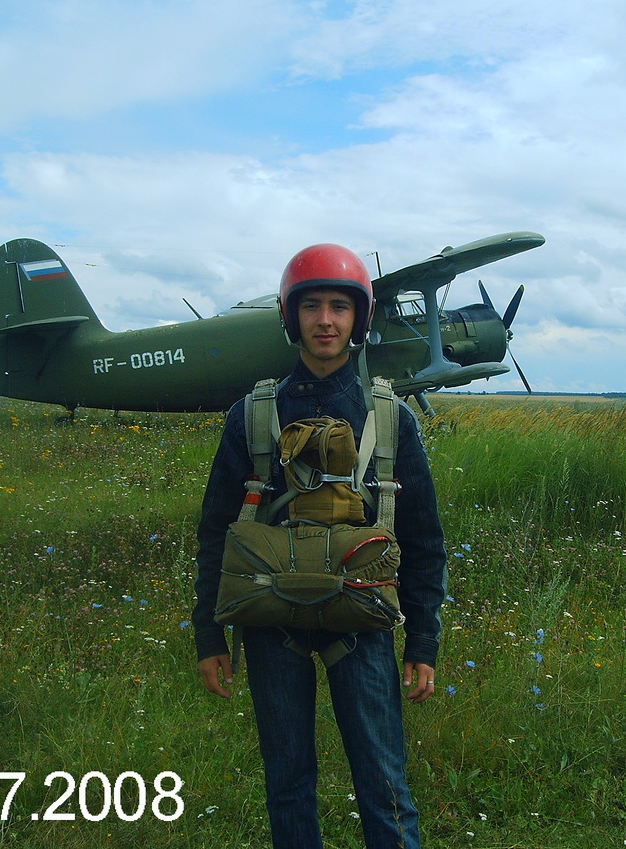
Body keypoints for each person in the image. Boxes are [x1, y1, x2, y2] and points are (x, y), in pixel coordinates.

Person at [192, 242, 448, 849]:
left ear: (359, 318)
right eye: (311, 307)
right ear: (291, 316)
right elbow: (215, 532)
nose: (326, 320)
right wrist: (210, 635)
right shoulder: (252, 414)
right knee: (287, 785)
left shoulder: (390, 417)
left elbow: (422, 537)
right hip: (269, 621)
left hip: (360, 622)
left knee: (385, 789)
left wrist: (425, 640)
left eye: (339, 306)